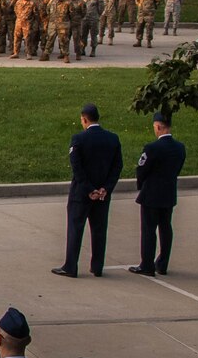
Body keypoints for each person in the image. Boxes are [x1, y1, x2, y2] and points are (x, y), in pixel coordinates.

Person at [54, 104, 123, 278]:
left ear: (84, 119)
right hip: (102, 194)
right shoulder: (113, 139)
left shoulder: (78, 139)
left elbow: (77, 168)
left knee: (75, 229)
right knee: (99, 230)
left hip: (81, 194)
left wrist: (89, 189)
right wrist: (105, 188)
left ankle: (71, 266)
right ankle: (97, 266)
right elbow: (117, 167)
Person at [129, 113, 186, 277]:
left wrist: (141, 184)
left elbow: (142, 169)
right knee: (166, 228)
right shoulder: (179, 147)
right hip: (168, 193)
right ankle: (163, 263)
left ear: (158, 126)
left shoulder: (152, 148)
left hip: (152, 194)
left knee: (148, 230)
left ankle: (147, 264)